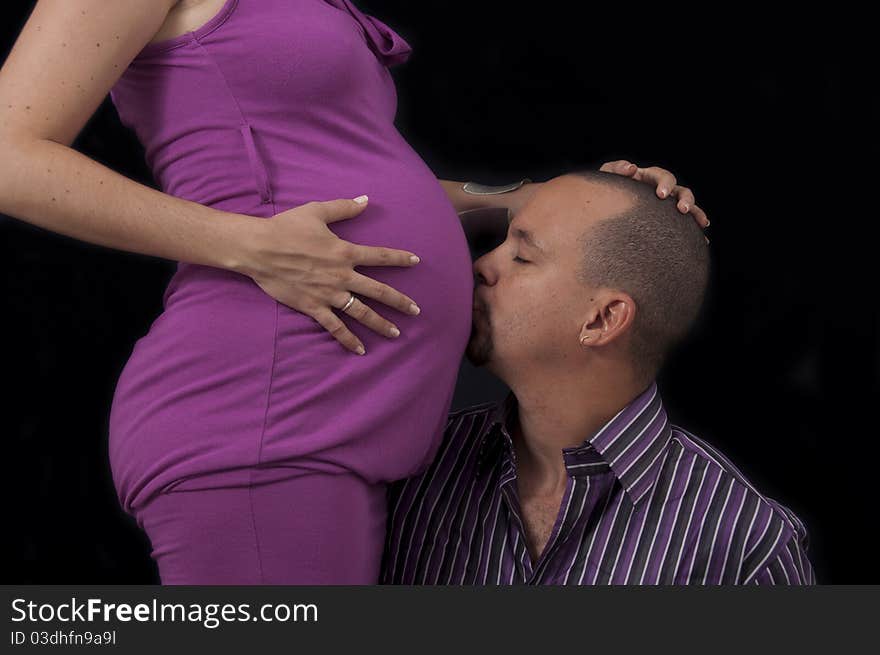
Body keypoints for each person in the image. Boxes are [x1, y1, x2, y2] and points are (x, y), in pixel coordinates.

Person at [0, 1, 706, 583]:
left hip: (331, 422)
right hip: (266, 412)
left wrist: (546, 199)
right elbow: (9, 157)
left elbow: (359, 190)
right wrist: (245, 243)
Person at [381, 170, 814, 585]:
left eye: (522, 256)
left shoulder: (745, 547)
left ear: (602, 319)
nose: (480, 266)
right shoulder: (416, 466)